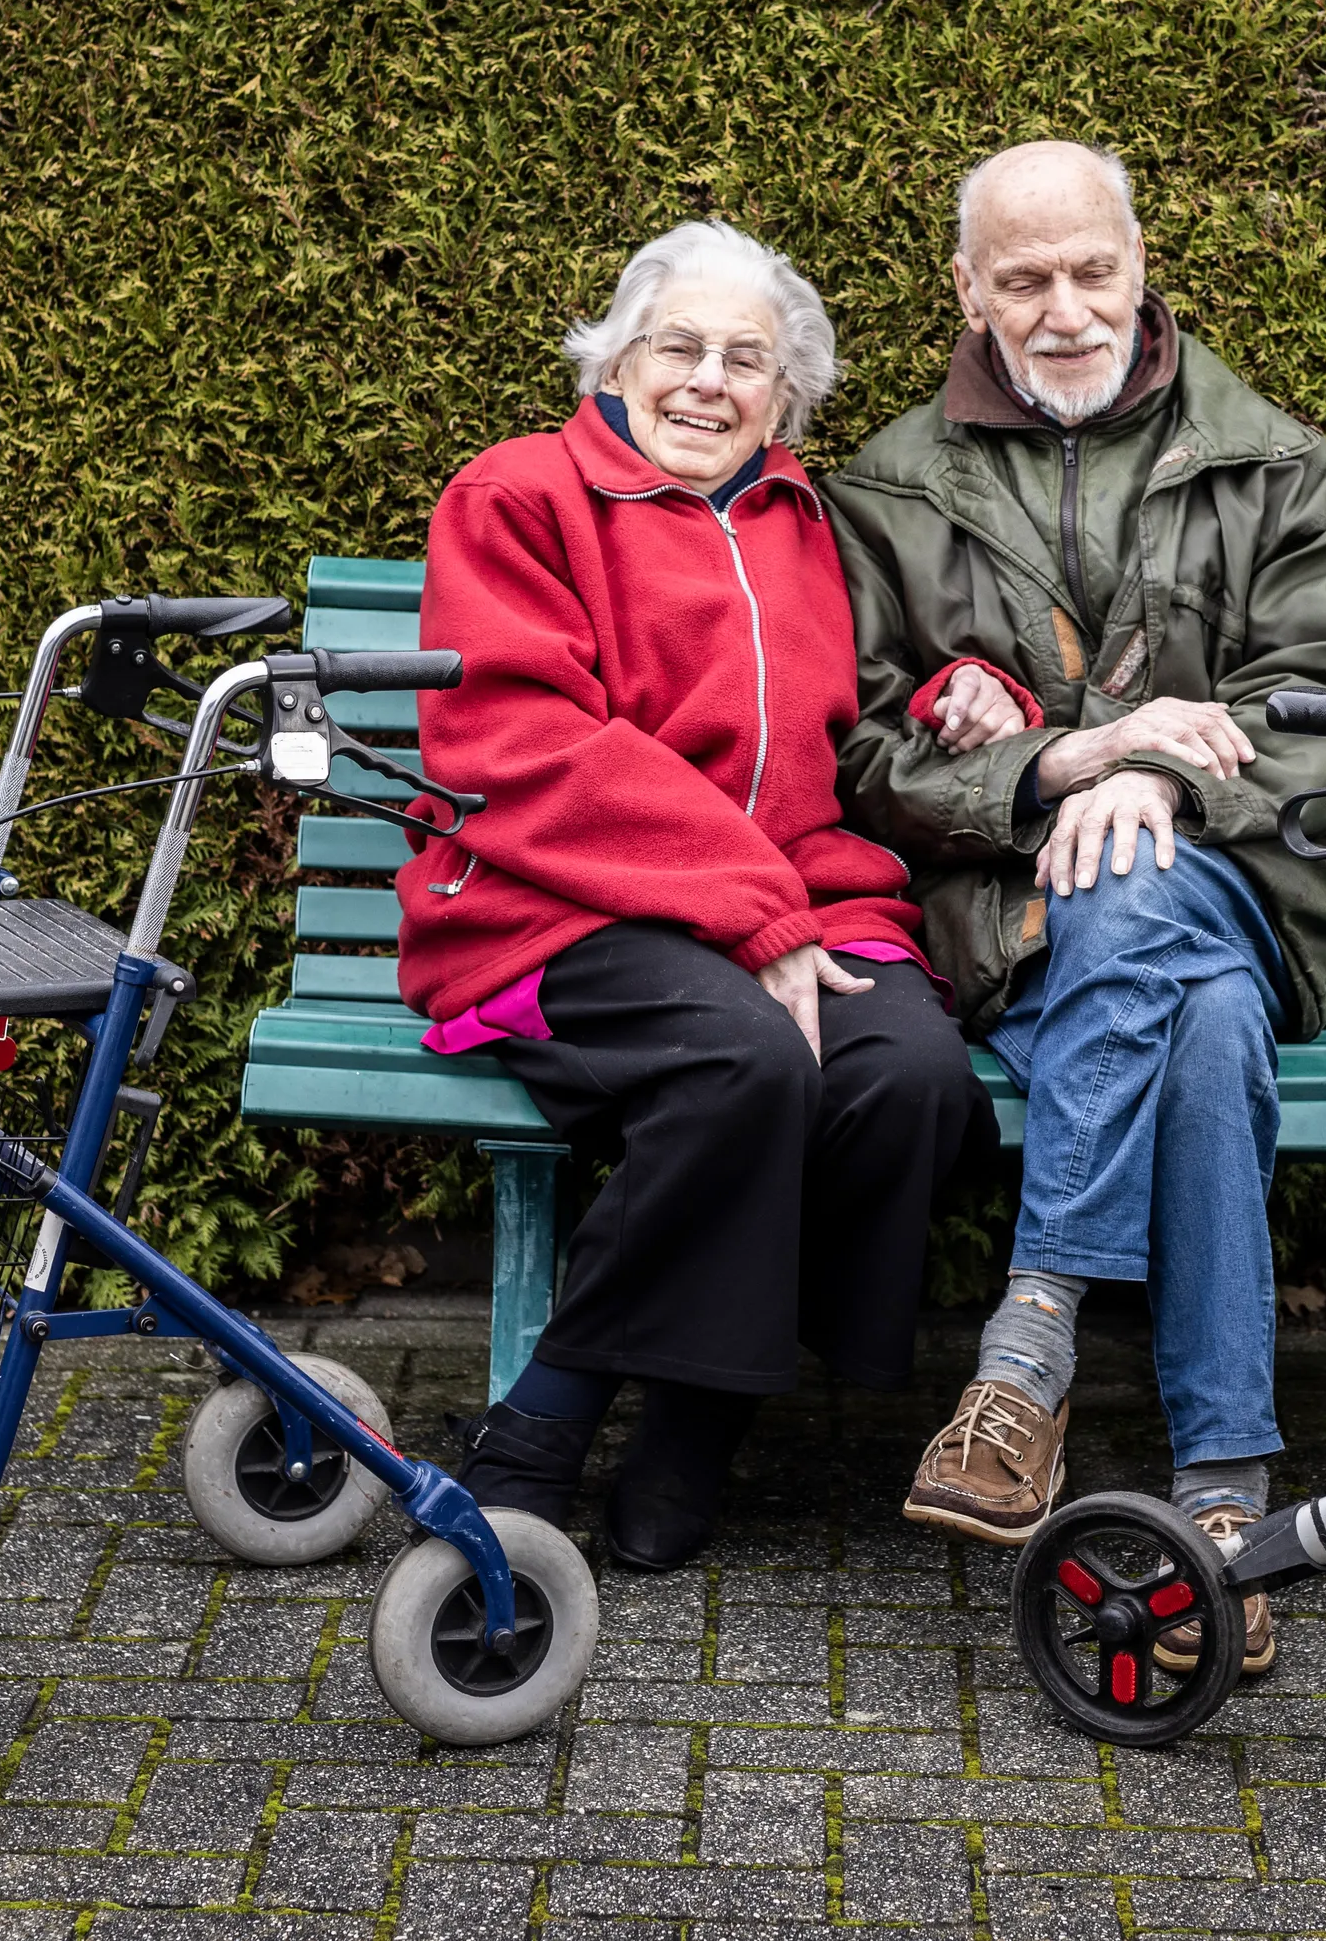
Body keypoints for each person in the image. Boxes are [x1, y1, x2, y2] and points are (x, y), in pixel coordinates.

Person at [826, 142, 1326, 1675]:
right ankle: (1228, 1509)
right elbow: (860, 753)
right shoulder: (888, 493)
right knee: (1198, 1026)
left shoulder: (1281, 470)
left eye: (1092, 269)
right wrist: (1062, 761)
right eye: (1023, 280)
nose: (1065, 308)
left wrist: (1165, 783)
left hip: (1254, 888)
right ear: (967, 291)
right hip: (1013, 928)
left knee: (1147, 883)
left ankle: (1030, 1351)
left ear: (1141, 259)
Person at [393, 219, 988, 1571]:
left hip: (800, 899)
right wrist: (750, 912)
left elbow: (894, 686)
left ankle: (702, 1413)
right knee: (742, 1058)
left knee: (908, 1075)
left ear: (787, 396)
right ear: (617, 357)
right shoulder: (519, 494)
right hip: (557, 901)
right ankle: (547, 1421)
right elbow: (525, 742)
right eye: (680, 347)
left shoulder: (811, 524)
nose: (709, 382)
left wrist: (976, 692)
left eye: (748, 360)